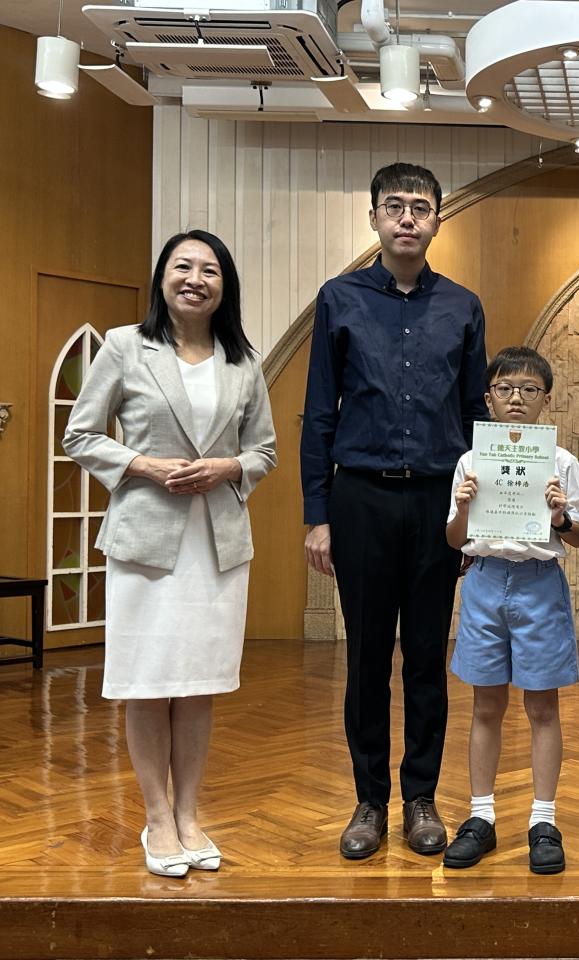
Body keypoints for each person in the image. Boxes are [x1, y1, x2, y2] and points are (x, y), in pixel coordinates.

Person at [63, 230, 276, 877]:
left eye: (210, 270)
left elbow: (264, 450)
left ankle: (189, 814)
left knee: (199, 684)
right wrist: (145, 465)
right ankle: (156, 818)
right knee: (149, 682)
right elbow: (80, 434)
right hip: (145, 543)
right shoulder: (126, 346)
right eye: (183, 266)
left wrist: (228, 467)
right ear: (163, 277)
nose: (195, 278)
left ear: (224, 287)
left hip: (217, 546)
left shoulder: (243, 361)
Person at [300, 163, 488, 860]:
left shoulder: (463, 306)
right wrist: (317, 514)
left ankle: (421, 799)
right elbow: (320, 410)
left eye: (421, 207)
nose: (408, 218)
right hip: (362, 498)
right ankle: (369, 801)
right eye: (395, 206)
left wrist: (476, 519)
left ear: (438, 220)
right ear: (374, 218)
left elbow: (474, 416)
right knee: (367, 659)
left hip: (440, 501)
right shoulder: (339, 298)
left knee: (428, 659)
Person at [441, 347, 579, 875]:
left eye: (529, 390)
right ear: (489, 399)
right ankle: (481, 816)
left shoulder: (561, 462)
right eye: (505, 389)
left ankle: (543, 820)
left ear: (546, 399)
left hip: (538, 583)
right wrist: (463, 508)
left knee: (543, 707)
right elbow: (454, 539)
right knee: (485, 706)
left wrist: (561, 515)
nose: (517, 399)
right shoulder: (470, 461)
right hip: (484, 581)